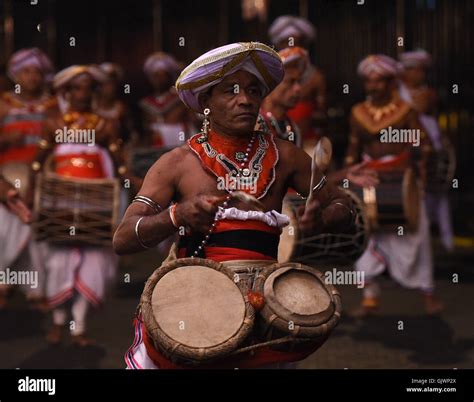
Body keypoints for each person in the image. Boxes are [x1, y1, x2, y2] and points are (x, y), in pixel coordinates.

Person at [113, 42, 354, 369]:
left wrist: (325, 217)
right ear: (205, 103)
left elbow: (342, 205)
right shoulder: (177, 163)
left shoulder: (287, 156)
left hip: (268, 310)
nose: (246, 99)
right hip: (194, 306)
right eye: (232, 91)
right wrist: (176, 215)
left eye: (254, 91)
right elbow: (123, 238)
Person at [334, 54, 442, 316]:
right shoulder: (358, 113)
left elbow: (423, 144)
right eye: (369, 81)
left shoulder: (406, 110)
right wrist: (348, 176)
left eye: (379, 81)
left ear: (391, 82)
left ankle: (428, 295)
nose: (373, 86)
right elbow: (353, 148)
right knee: (366, 233)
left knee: (416, 235)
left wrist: (419, 176)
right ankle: (370, 297)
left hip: (401, 178)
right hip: (370, 178)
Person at [32, 65, 120, 346]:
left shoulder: (105, 125)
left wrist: (136, 180)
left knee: (93, 261)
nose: (84, 93)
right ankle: (59, 323)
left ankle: (78, 327)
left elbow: (119, 164)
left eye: (89, 88)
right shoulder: (53, 122)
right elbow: (39, 161)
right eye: (78, 87)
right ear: (66, 91)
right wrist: (30, 192)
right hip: (61, 202)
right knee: (58, 260)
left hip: (96, 203)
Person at [0, 48, 57, 310]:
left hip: (44, 176)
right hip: (7, 179)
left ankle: (38, 289)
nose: (32, 77)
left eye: (37, 72)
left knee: (40, 232)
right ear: (15, 75)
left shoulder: (54, 106)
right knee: (5, 230)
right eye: (26, 71)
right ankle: (4, 283)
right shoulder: (3, 104)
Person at [399, 49, 454, 251]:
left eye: (422, 71)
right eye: (416, 70)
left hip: (429, 141)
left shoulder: (427, 93)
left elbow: (419, 110)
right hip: (406, 142)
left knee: (434, 191)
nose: (420, 75)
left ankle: (441, 237)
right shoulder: (396, 91)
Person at [268, 15, 326, 143]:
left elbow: (321, 114)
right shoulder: (267, 75)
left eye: (296, 42)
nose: (291, 47)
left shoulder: (316, 77)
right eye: (286, 42)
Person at [139, 52, 195, 148]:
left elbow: (192, 120)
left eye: (162, 75)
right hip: (155, 145)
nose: (159, 80)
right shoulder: (146, 103)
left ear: (169, 77)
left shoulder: (180, 98)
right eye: (155, 76)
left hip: (178, 140)